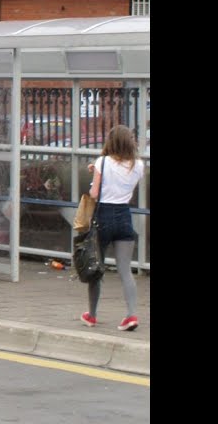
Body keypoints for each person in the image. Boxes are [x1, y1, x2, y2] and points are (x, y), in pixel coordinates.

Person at [80, 124, 144, 332]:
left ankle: (92, 315)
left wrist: (95, 175)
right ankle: (131, 315)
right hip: (124, 216)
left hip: (103, 216)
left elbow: (95, 193)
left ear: (111, 142)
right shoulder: (139, 165)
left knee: (96, 268)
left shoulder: (103, 162)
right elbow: (122, 180)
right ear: (129, 142)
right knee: (125, 270)